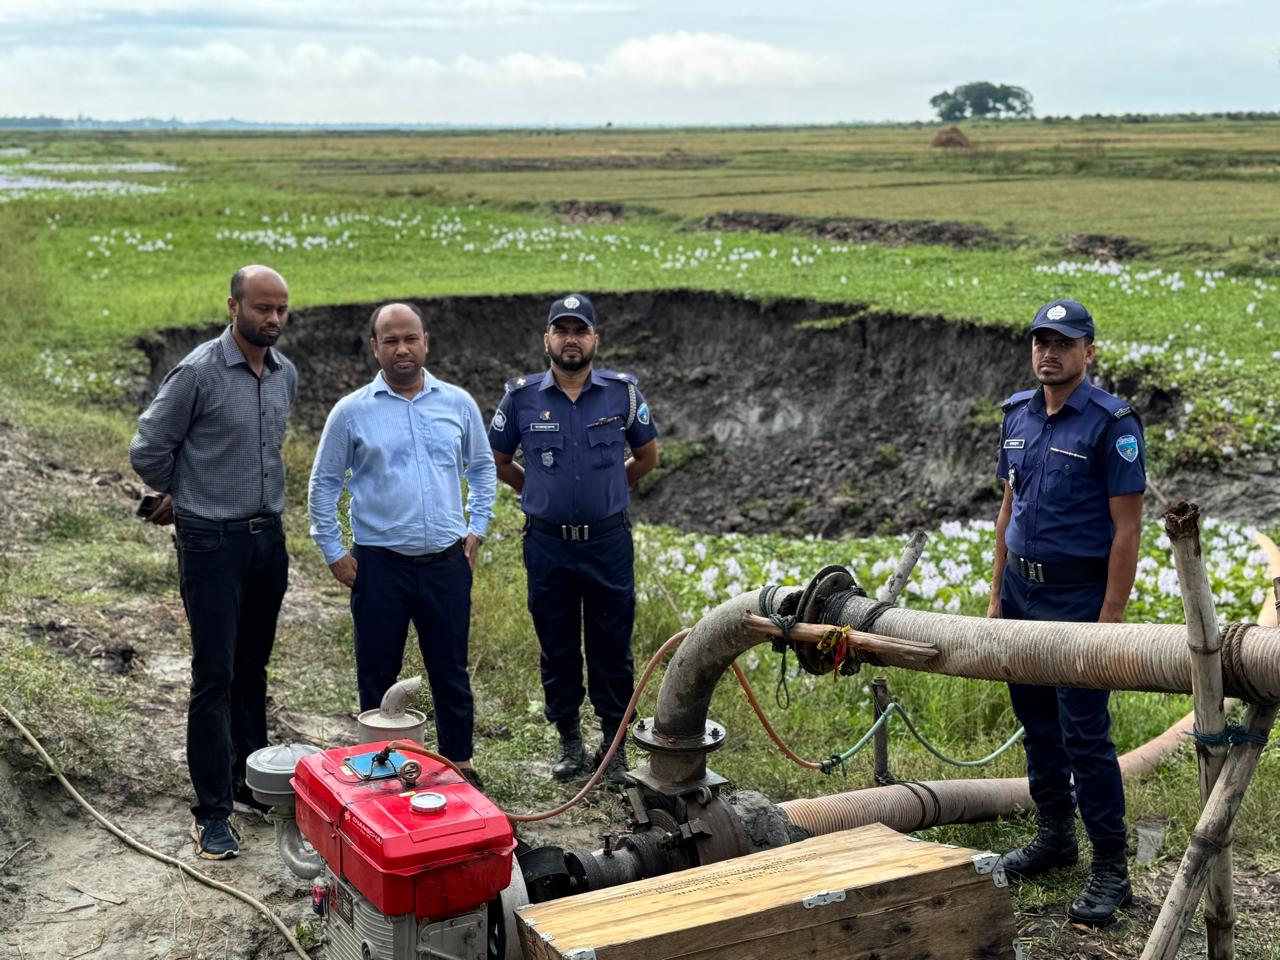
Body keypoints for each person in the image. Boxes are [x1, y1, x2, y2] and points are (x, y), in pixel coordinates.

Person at [987, 298, 1145, 926]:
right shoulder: (1017, 416)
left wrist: (1110, 618)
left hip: (1079, 600)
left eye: (1063, 343)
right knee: (1036, 721)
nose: (1048, 353)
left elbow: (1126, 529)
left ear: (1088, 351)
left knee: (1084, 733)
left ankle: (1111, 868)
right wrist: (996, 598)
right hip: (1021, 594)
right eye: (1040, 342)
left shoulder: (1112, 424)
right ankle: (1055, 837)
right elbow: (1009, 508)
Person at [130, 265, 296, 860]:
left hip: (266, 539)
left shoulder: (284, 374)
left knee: (253, 668)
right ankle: (211, 812)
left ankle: (250, 781)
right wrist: (187, 492)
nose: (272, 318)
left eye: (280, 309)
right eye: (261, 308)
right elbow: (147, 448)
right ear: (233, 307)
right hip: (211, 542)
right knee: (215, 674)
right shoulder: (198, 371)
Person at [308, 302, 495, 790]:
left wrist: (477, 527)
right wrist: (333, 552)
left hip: (446, 564)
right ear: (375, 348)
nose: (402, 348)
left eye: (410, 338)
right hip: (379, 566)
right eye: (390, 340)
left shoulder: (457, 404)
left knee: (450, 672)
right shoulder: (351, 412)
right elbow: (323, 485)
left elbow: (481, 468)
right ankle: (381, 767)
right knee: (377, 672)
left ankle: (459, 765)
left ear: (425, 343)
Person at [489, 294, 659, 785]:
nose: (570, 339)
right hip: (548, 544)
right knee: (558, 644)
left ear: (594, 339)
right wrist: (538, 492)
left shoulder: (623, 394)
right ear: (547, 339)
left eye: (579, 330)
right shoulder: (520, 398)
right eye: (561, 330)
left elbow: (647, 457)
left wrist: (609, 493)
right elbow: (499, 460)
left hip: (607, 542)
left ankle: (613, 745)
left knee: (612, 646)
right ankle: (568, 739)